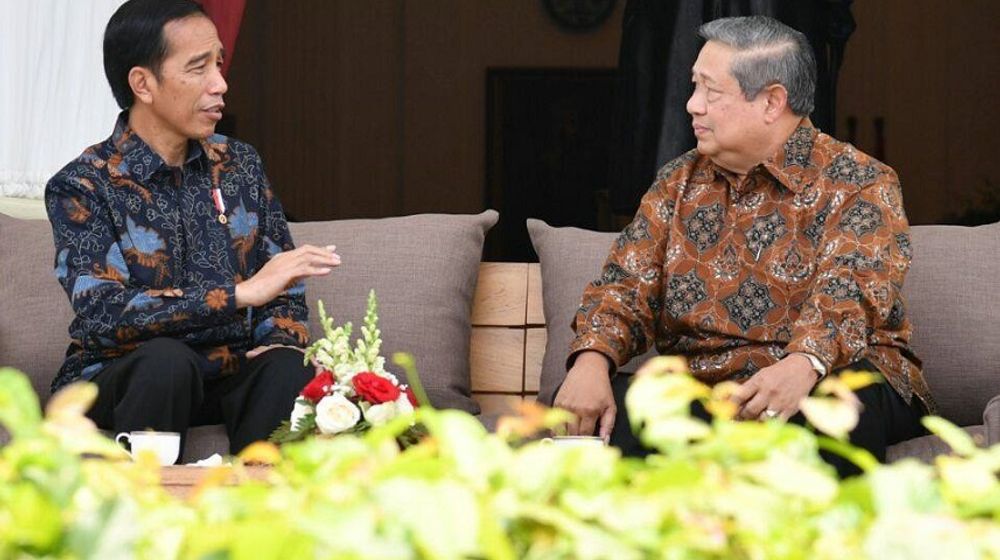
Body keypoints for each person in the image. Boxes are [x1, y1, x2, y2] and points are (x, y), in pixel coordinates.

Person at [553, 15, 933, 476]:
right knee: (608, 406)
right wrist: (592, 359)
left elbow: (851, 291)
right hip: (707, 388)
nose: (692, 105)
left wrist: (803, 364)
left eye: (711, 92)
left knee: (835, 410)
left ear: (773, 101)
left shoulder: (859, 182)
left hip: (833, 373)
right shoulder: (677, 181)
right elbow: (626, 286)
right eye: (694, 86)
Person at [45, 0, 339, 458]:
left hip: (227, 369)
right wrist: (237, 295)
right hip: (124, 375)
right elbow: (103, 311)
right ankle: (150, 517)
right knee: (166, 361)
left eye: (218, 63)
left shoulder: (240, 164)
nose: (220, 84)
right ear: (143, 83)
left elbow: (280, 285)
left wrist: (279, 341)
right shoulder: (83, 184)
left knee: (287, 366)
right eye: (198, 68)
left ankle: (255, 516)